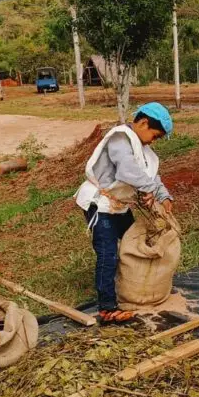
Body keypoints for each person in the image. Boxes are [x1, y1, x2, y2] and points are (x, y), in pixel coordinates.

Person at [74, 102, 174, 324]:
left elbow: (151, 177)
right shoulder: (120, 138)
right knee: (108, 253)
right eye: (155, 135)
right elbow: (127, 170)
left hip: (120, 207)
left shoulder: (143, 149)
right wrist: (147, 189)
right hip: (101, 205)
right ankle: (107, 307)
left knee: (133, 245)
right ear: (143, 123)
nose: (153, 141)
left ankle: (130, 289)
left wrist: (164, 196)